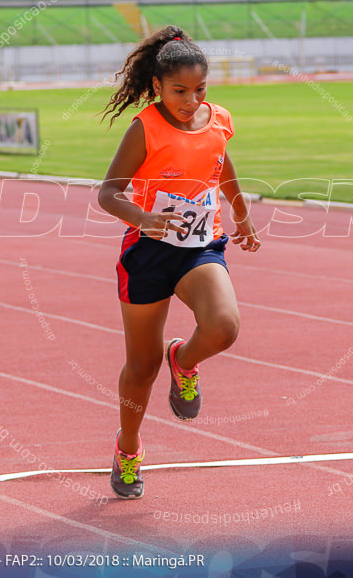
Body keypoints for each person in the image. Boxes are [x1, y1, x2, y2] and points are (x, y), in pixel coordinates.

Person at [97, 25, 260, 499]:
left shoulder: (219, 119)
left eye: (200, 89)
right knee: (142, 368)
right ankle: (128, 448)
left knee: (223, 327)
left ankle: (183, 361)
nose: (191, 100)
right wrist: (144, 218)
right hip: (148, 252)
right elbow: (109, 193)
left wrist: (241, 215)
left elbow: (220, 162)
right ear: (157, 88)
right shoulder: (145, 127)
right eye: (179, 91)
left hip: (201, 246)